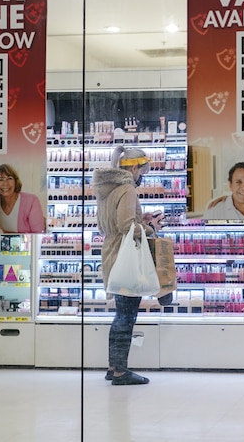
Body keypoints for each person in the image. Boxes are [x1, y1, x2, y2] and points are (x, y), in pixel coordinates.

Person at [93, 146, 160, 386]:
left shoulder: (107, 189)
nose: (142, 176)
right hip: (126, 256)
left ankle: (114, 366)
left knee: (120, 313)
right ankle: (121, 371)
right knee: (127, 315)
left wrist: (138, 221)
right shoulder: (128, 189)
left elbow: (110, 224)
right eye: (142, 170)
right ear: (134, 168)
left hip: (111, 252)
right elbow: (126, 226)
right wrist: (151, 228)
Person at [0, 164, 46, 233]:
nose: (5, 184)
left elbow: (38, 236)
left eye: (9, 178)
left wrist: (4, 232)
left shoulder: (31, 201)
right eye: (0, 180)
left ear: (15, 181)